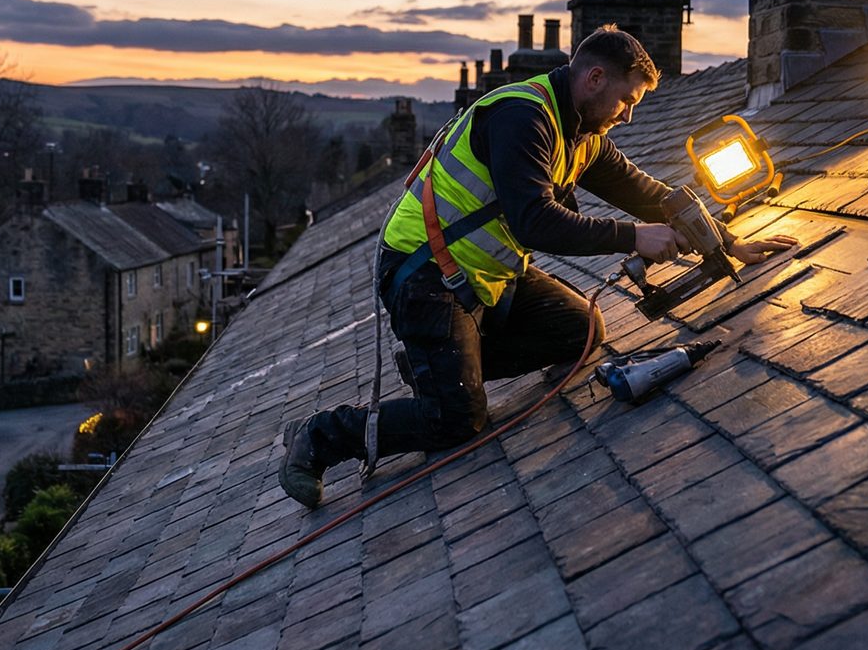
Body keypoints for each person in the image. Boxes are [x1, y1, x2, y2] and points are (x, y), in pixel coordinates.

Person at [279, 25, 797, 509]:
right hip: (425, 275)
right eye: (626, 100)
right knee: (458, 420)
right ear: (595, 79)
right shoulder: (523, 117)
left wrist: (727, 242)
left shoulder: (582, 134)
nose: (628, 115)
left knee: (581, 331)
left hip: (487, 275)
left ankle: (441, 367)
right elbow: (533, 222)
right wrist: (634, 237)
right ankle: (322, 434)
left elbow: (644, 191)